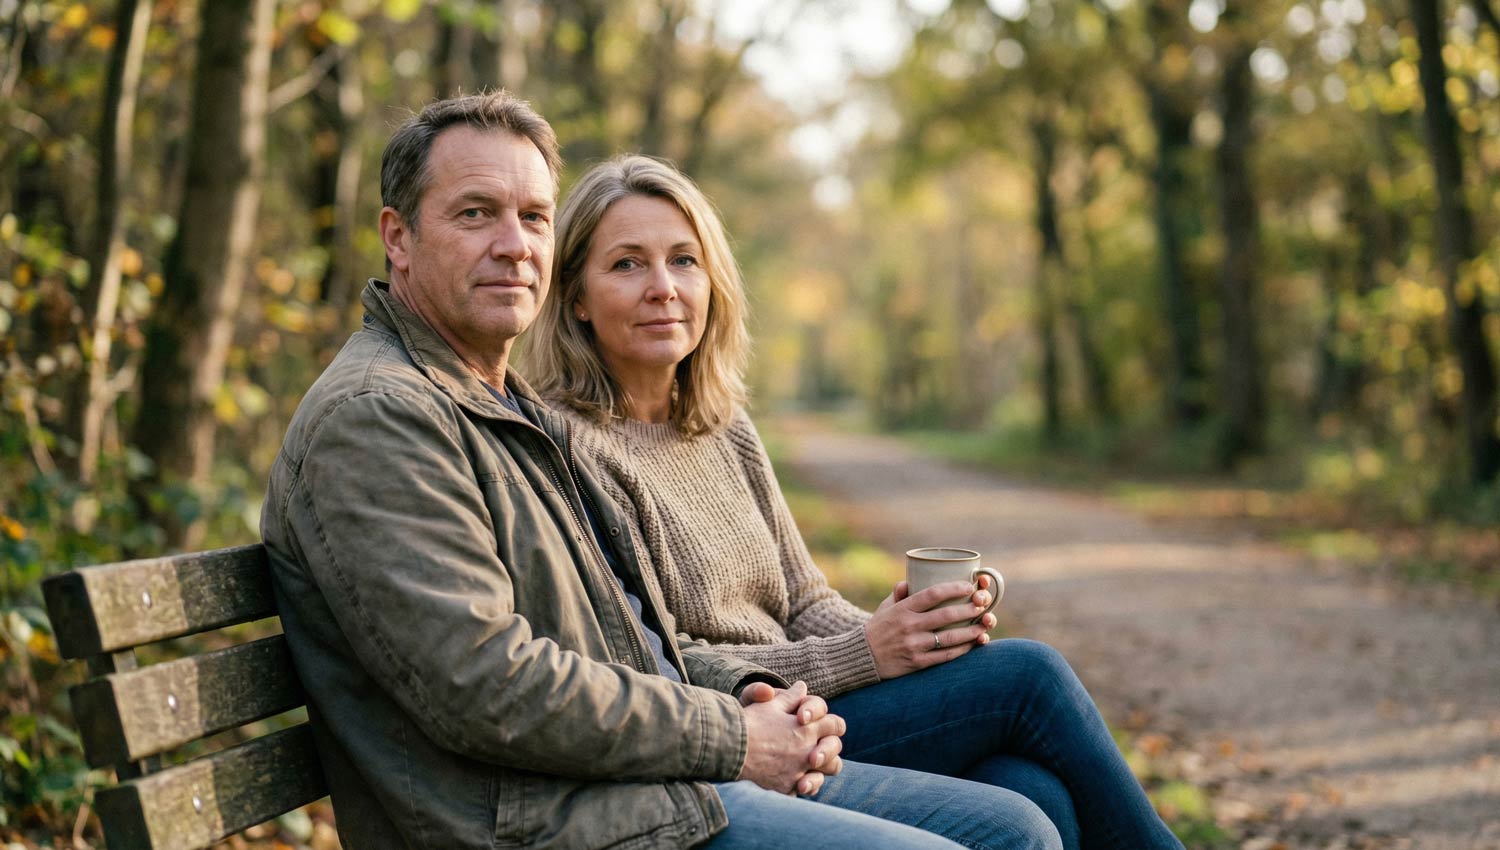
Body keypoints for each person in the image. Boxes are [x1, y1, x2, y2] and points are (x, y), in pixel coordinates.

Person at [261, 92, 1065, 850]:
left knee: (1026, 807)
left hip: (627, 786)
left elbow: (631, 639)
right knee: (1004, 829)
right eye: (475, 214)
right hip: (543, 823)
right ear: (398, 236)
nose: (513, 244)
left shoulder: (498, 406)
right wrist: (734, 735)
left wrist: (750, 695)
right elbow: (485, 684)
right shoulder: (380, 417)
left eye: (533, 216)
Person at [527, 153, 1187, 850]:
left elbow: (803, 599)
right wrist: (866, 655)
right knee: (1030, 677)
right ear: (575, 296)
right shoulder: (574, 450)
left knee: (1032, 787)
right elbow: (660, 658)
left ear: (711, 280)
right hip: (751, 730)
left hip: (824, 702)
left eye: (684, 261)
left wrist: (912, 632)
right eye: (628, 265)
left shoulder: (725, 428)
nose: (663, 287)